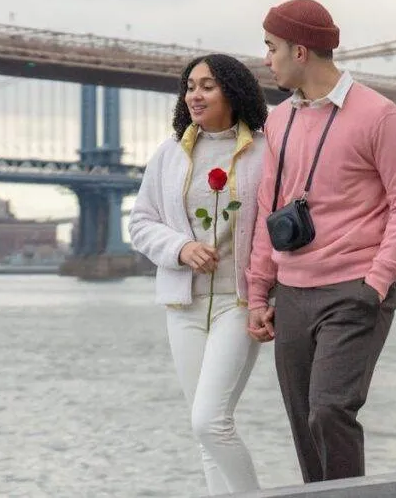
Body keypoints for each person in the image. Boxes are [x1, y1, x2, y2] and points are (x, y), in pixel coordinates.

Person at [245, 0, 396, 483]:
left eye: (271, 47)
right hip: (293, 293)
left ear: (299, 51)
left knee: (329, 411)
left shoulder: (378, 115)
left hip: (354, 289)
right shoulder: (278, 120)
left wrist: (377, 280)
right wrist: (260, 291)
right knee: (305, 426)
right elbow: (269, 208)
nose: (267, 59)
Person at [128, 53, 270, 495]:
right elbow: (141, 222)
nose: (195, 94)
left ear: (233, 91)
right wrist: (181, 247)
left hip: (238, 302)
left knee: (210, 421)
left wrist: (270, 296)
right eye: (190, 86)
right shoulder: (170, 153)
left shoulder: (267, 151)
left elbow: (275, 225)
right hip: (183, 306)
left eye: (207, 85)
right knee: (203, 433)